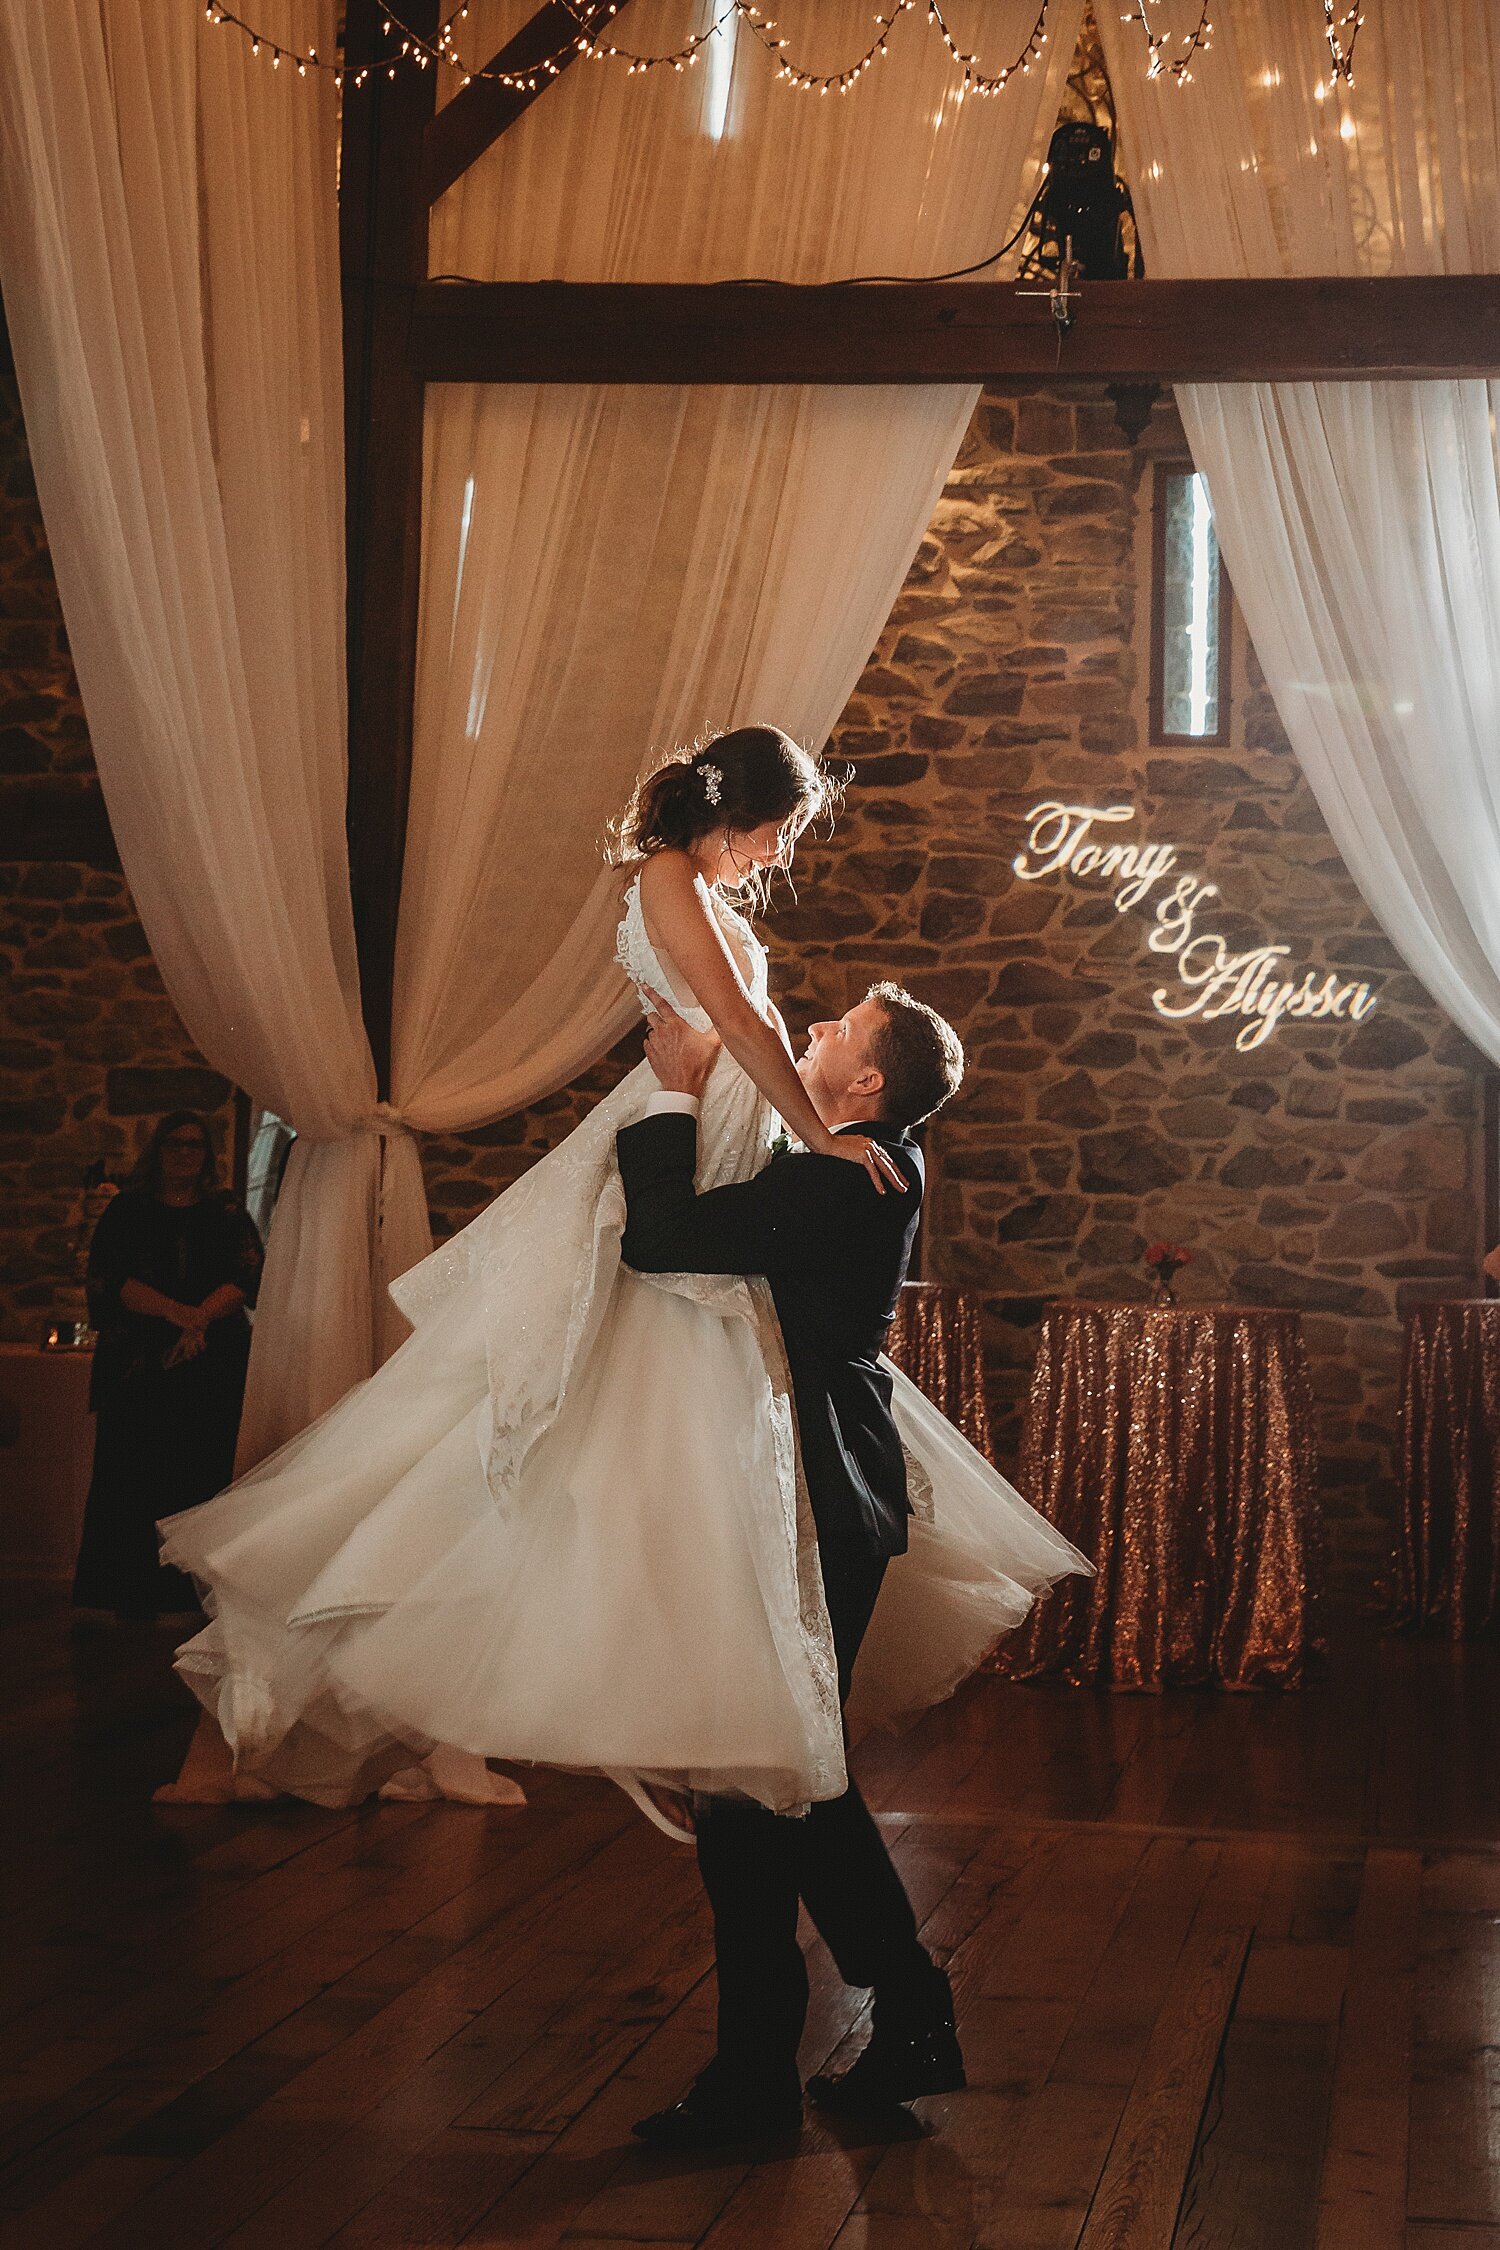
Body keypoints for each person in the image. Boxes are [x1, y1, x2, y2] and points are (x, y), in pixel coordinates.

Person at [160, 726, 1088, 1819]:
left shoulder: (711, 895)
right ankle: (267, 1723)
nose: (777, 855)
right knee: (500, 1431)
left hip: (715, 1140)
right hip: (677, 1131)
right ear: (732, 815)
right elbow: (738, 1020)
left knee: (576, 1458)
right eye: (777, 832)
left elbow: (746, 1025)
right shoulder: (665, 876)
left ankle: (451, 1722)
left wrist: (791, 1137)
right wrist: (810, 1129)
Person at [617, 984, 974, 2144]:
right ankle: (853, 2038)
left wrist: (672, 1097)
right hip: (821, 1481)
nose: (812, 1030)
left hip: (810, 1492)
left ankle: (767, 2077)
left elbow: (663, 1240)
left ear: (868, 1083)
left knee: (765, 1782)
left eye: (837, 1031)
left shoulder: (846, 1169)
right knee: (780, 1775)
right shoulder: (861, 1155)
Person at [74, 1112, 262, 1621]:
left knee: (196, 1474)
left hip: (208, 1363)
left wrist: (199, 1318)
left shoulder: (225, 1213)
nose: (184, 1153)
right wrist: (176, 1314)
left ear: (207, 1154)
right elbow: (110, 1279)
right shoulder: (127, 1211)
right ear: (158, 1150)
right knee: (126, 1475)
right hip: (138, 1361)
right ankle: (112, 1595)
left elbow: (246, 1274)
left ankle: (184, 1598)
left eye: (195, 1145)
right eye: (175, 1144)